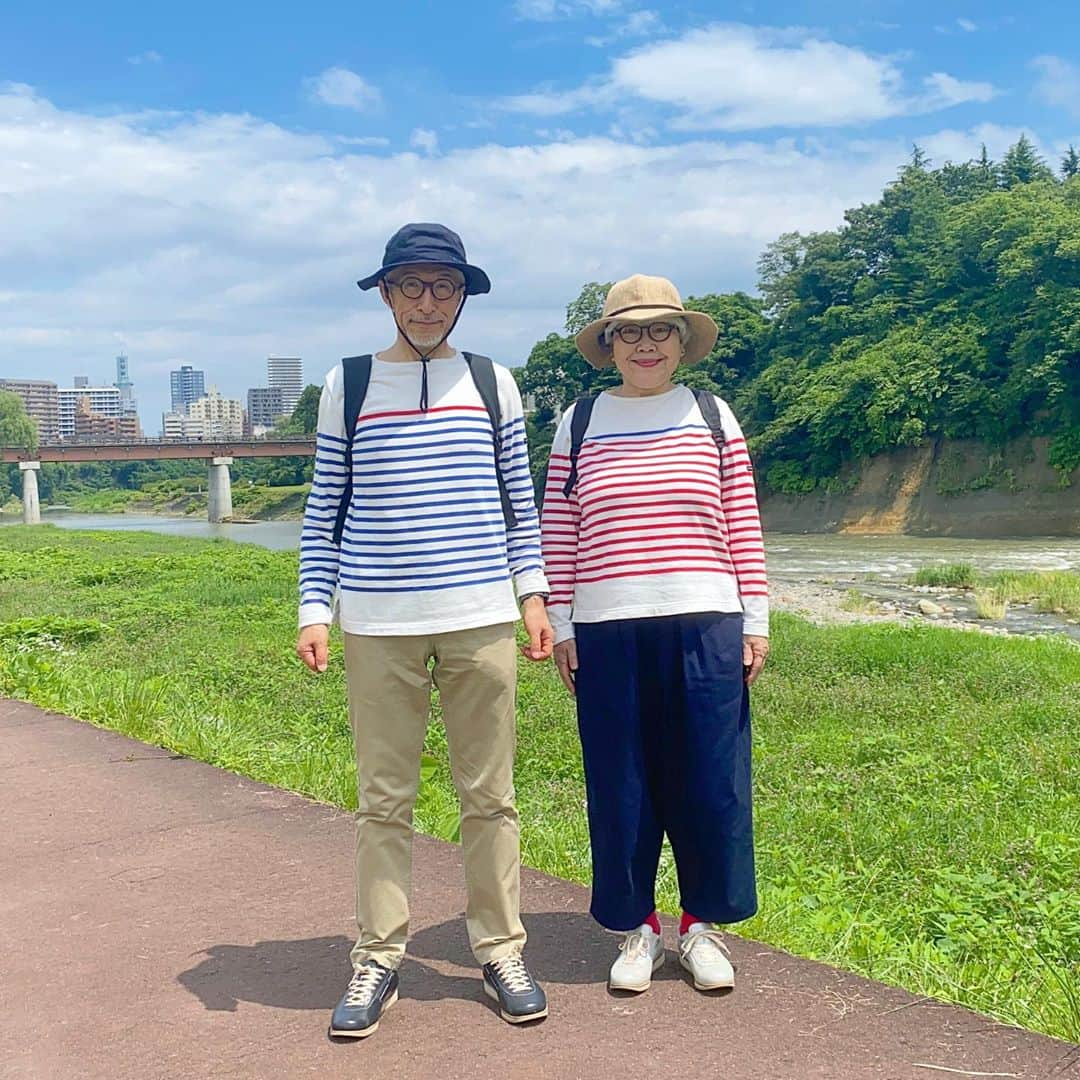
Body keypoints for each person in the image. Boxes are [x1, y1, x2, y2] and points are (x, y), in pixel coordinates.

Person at [296, 223, 554, 1038]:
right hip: (377, 620)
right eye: (411, 285)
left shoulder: (492, 382)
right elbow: (325, 503)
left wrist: (535, 594)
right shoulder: (349, 381)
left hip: (481, 616)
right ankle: (378, 957)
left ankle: (500, 948)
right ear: (385, 293)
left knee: (491, 796)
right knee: (383, 800)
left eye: (443, 286)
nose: (427, 302)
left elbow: (520, 499)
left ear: (463, 295)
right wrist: (315, 607)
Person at [539, 273, 769, 995]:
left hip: (707, 620)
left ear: (680, 343)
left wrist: (755, 620)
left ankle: (701, 927)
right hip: (608, 629)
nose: (646, 344)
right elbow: (559, 531)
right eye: (629, 332)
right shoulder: (579, 421)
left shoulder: (711, 414)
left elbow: (742, 520)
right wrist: (563, 622)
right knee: (622, 785)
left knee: (712, 782)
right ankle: (636, 929)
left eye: (660, 331)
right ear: (608, 345)